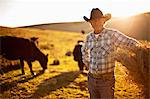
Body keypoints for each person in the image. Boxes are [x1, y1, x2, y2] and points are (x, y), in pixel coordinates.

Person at [82, 8, 141, 99]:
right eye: (93, 20)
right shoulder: (89, 37)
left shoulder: (112, 34)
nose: (96, 22)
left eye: (98, 20)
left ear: (104, 21)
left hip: (106, 80)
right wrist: (89, 65)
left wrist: (143, 50)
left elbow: (129, 42)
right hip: (91, 79)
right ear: (90, 23)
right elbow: (84, 51)